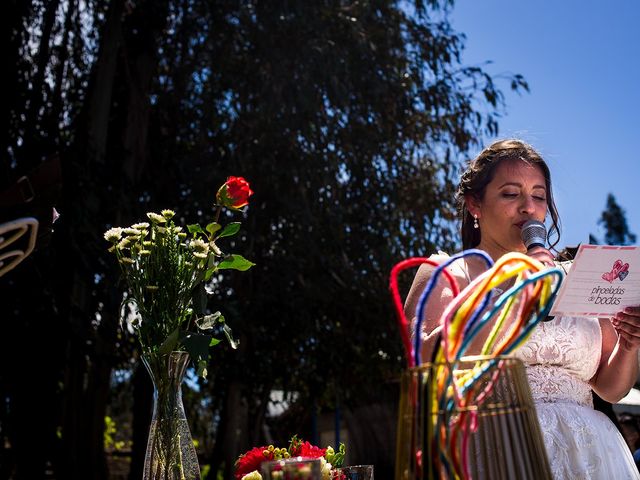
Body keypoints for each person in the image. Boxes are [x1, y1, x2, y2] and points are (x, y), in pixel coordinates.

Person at [404, 138, 640, 479]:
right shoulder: (445, 273)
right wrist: (516, 291)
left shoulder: (578, 275)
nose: (529, 207)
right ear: (475, 204)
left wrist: (629, 343)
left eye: (539, 196)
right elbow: (427, 365)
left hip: (591, 456)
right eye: (511, 194)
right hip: (500, 452)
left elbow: (610, 387)